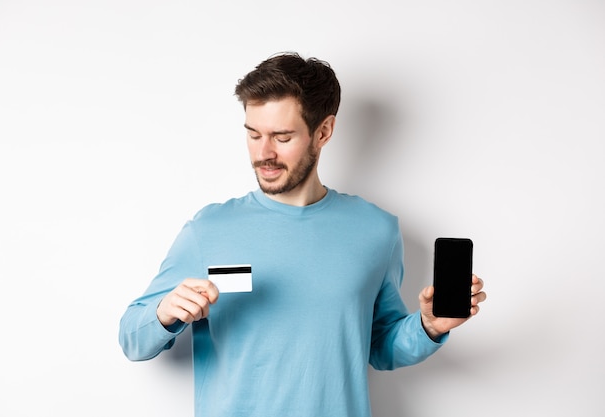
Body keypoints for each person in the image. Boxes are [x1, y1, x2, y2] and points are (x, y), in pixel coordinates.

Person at [118, 52, 486, 417]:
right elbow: (132, 338)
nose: (264, 153)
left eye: (281, 137)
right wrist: (165, 313)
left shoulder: (376, 230)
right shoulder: (208, 229)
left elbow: (379, 346)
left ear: (323, 131)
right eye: (253, 134)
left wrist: (428, 327)